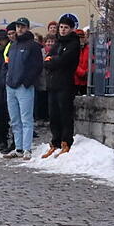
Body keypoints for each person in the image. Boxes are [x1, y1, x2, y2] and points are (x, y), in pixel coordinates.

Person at [42, 14, 81, 158]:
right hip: (53, 84)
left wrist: (53, 61)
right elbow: (46, 60)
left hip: (65, 84)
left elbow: (64, 61)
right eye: (61, 27)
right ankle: (55, 142)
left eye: (66, 28)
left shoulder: (73, 43)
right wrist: (52, 61)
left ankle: (66, 142)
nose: (63, 30)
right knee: (53, 115)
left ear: (71, 29)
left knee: (65, 114)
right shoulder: (58, 43)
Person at [4, 18, 43, 160]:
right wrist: (7, 79)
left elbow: (37, 66)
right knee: (14, 119)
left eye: (22, 27)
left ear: (27, 28)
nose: (20, 29)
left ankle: (27, 148)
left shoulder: (33, 46)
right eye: (18, 26)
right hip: (11, 86)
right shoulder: (13, 45)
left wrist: (27, 82)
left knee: (26, 118)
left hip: (23, 87)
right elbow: (8, 63)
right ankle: (18, 147)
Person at [74, 28, 90, 96]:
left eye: (82, 37)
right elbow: (72, 63)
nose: (80, 39)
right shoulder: (73, 49)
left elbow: (92, 62)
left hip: (86, 81)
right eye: (78, 37)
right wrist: (82, 73)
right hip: (75, 80)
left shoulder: (89, 49)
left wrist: (87, 72)